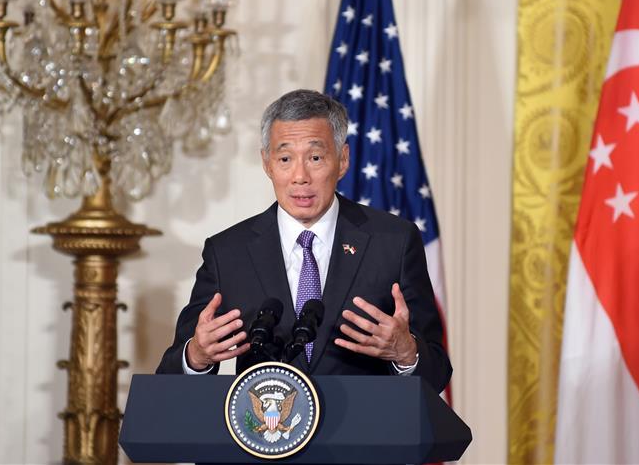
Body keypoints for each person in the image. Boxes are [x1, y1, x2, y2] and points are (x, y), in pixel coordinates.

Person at [156, 89, 451, 393]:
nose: (300, 176)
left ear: (343, 160)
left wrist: (406, 353)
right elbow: (169, 379)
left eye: (315, 158)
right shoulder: (228, 253)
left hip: (367, 421)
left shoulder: (393, 242)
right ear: (267, 163)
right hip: (266, 419)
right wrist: (196, 356)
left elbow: (438, 371)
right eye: (285, 158)